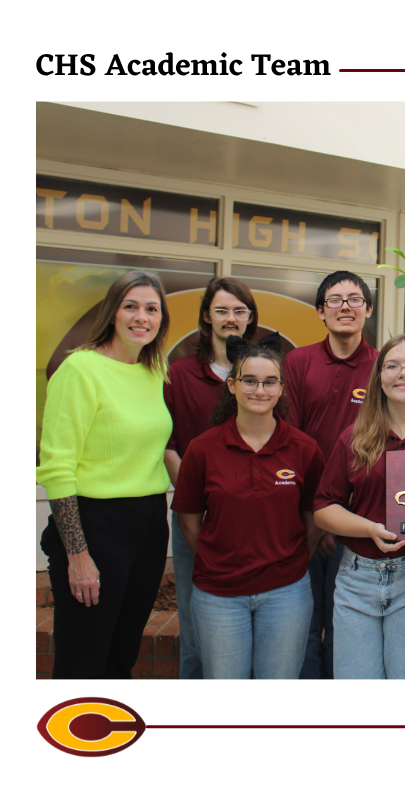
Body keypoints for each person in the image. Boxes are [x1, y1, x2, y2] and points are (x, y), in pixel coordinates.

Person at [37, 270, 173, 679]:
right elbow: (57, 469)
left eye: (152, 308)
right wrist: (78, 555)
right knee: (84, 657)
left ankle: (112, 735)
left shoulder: (153, 370)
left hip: (149, 523)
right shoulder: (79, 371)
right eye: (130, 306)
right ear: (111, 312)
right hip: (95, 525)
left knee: (122, 652)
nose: (141, 317)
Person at [171, 337, 325, 679]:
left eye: (270, 382)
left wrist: (296, 556)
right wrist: (217, 561)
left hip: (286, 591)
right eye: (250, 381)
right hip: (218, 595)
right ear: (232, 385)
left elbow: (313, 519)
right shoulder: (202, 449)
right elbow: (189, 521)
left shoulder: (304, 449)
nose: (260, 390)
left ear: (282, 388)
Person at [313, 334, 405, 679]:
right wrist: (369, 528)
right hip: (358, 578)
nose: (403, 373)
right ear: (379, 377)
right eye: (392, 365)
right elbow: (324, 507)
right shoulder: (355, 437)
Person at [283, 271, 378, 679]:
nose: (345, 307)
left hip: (357, 518)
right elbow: (291, 440)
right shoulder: (298, 361)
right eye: (335, 300)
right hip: (300, 515)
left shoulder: (382, 367)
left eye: (354, 299)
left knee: (346, 623)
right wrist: (315, 519)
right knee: (301, 622)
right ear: (321, 312)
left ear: (368, 310)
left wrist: (337, 519)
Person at [163, 276, 258, 680]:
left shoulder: (263, 375)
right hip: (196, 518)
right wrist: (196, 502)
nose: (231, 318)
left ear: (250, 318)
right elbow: (169, 445)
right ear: (207, 316)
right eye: (222, 310)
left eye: (239, 311)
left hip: (257, 520)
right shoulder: (180, 374)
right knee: (198, 633)